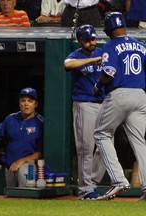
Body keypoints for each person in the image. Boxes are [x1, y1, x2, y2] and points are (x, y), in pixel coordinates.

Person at [93, 12, 146, 201]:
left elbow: (108, 72)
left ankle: (118, 180)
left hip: (120, 94)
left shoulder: (112, 45)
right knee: (140, 141)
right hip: (140, 95)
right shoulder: (141, 45)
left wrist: (98, 85)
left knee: (101, 133)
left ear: (108, 28)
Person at [64, 25, 106, 200]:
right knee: (86, 148)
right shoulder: (77, 55)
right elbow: (67, 64)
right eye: (88, 40)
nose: (91, 42)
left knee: (105, 147)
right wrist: (91, 60)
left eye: (93, 39)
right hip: (84, 104)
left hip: (103, 104)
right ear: (81, 41)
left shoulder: (103, 52)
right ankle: (85, 188)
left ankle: (92, 183)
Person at [0, 87, 44, 187]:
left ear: (35, 104)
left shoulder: (40, 122)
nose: (26, 104)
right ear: (19, 103)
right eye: (23, 101)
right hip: (10, 167)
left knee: (26, 194)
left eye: (30, 101)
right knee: (11, 197)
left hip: (30, 166)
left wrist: (21, 161)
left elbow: (41, 152)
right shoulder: (11, 119)